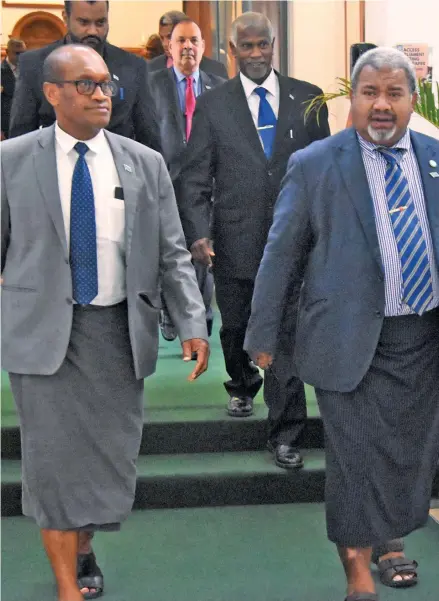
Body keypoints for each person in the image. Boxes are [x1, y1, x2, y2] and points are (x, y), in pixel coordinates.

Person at [1, 44, 209, 601]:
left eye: (106, 85)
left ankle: (84, 544)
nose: (102, 94)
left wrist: (192, 321)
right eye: (87, 85)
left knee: (108, 457)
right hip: (42, 336)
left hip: (118, 334)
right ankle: (68, 584)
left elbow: (171, 252)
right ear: (52, 94)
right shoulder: (12, 160)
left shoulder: (145, 162)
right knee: (51, 463)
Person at [245, 46, 439, 601]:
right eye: (370, 93)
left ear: (412, 100)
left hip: (421, 340)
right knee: (354, 460)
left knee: (407, 452)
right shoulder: (315, 165)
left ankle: (392, 542)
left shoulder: (435, 159)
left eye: (394, 94)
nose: (381, 105)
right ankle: (358, 576)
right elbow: (280, 255)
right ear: (351, 99)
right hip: (346, 340)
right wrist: (261, 336)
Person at [176, 12, 329, 470]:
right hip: (234, 238)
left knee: (283, 337)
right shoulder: (214, 105)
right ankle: (241, 383)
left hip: (294, 241)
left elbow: (326, 170)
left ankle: (285, 433)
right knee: (237, 326)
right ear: (231, 50)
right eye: (248, 47)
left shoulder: (309, 98)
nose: (257, 54)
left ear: (275, 44)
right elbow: (195, 176)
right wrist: (199, 233)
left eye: (264, 45)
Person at [150, 18, 226, 342]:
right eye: (181, 41)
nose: (188, 47)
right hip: (164, 182)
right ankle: (169, 310)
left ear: (203, 46)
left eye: (194, 40)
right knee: (169, 252)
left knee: (202, 252)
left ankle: (201, 316)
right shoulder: (151, 84)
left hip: (204, 187)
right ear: (170, 46)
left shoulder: (219, 86)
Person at [9, 0, 161, 152]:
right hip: (52, 167)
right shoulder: (34, 65)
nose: (93, 31)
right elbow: (20, 139)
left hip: (117, 169)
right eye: (84, 22)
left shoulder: (133, 67)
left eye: (100, 22)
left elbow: (149, 137)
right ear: (65, 17)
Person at [148, 10, 228, 80]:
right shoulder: (150, 69)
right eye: (162, 38)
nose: (165, 44)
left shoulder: (216, 70)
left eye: (169, 37)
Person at [0, 38, 26, 139]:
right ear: (7, 52)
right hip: (6, 128)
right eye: (17, 53)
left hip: (26, 127)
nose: (21, 57)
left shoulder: (28, 70)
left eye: (23, 53)